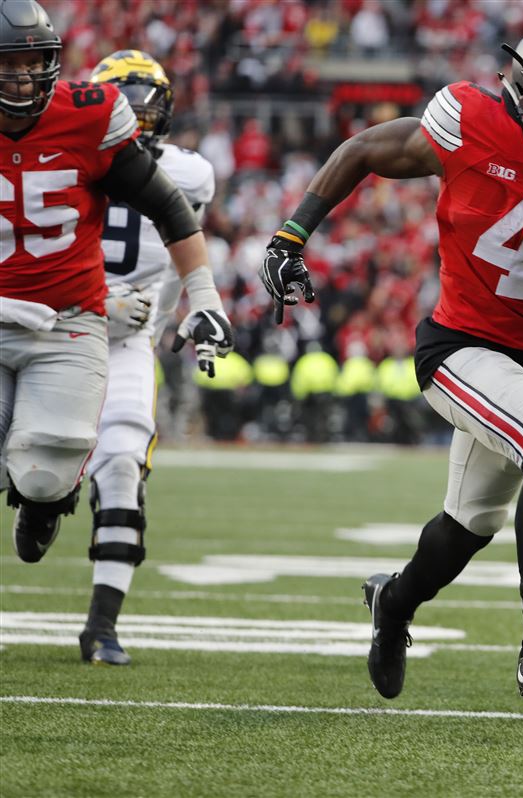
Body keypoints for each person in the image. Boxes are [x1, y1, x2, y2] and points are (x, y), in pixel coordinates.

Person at [261, 19, 523, 708]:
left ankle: (394, 601)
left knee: (469, 526)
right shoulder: (469, 121)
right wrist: (290, 236)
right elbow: (364, 148)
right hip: (455, 350)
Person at [0, 2, 232, 614]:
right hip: (45, 306)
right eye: (9, 65)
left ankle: (84, 581)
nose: (22, 79)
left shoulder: (158, 158)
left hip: (97, 328)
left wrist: (192, 303)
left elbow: (172, 219)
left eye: (33, 63)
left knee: (93, 462)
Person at [75, 49, 219, 666]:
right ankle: (42, 502)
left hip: (130, 338)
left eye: (148, 99)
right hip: (60, 320)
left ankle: (102, 624)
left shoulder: (191, 174)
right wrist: (95, 297)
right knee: (34, 462)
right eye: (124, 99)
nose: (138, 112)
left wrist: (181, 313)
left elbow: (182, 252)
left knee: (124, 465)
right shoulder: (69, 155)